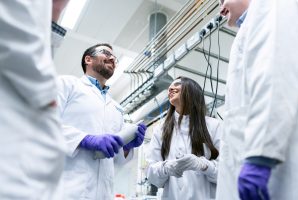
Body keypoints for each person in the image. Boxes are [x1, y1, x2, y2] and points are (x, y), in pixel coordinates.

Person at [216, 0, 298, 199]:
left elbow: (275, 76)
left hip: (273, 169)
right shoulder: (249, 27)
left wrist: (260, 156)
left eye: (222, 0)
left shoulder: (272, 4)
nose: (220, 8)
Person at [57, 43, 147, 200]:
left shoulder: (116, 108)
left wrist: (126, 147)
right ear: (88, 59)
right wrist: (85, 139)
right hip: (66, 189)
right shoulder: (67, 84)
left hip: (104, 194)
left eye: (115, 58)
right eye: (106, 53)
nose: (112, 58)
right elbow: (40, 122)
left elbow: (116, 161)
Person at [0, 0, 68, 199]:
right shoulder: (70, 84)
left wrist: (54, 15)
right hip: (15, 145)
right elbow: (11, 20)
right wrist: (46, 92)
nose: (112, 59)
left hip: (35, 166)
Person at [146, 76, 222, 200]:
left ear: (192, 90)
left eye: (177, 84)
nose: (170, 88)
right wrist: (168, 168)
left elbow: (225, 173)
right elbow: (152, 177)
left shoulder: (213, 125)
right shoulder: (161, 129)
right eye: (170, 86)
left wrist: (203, 165)